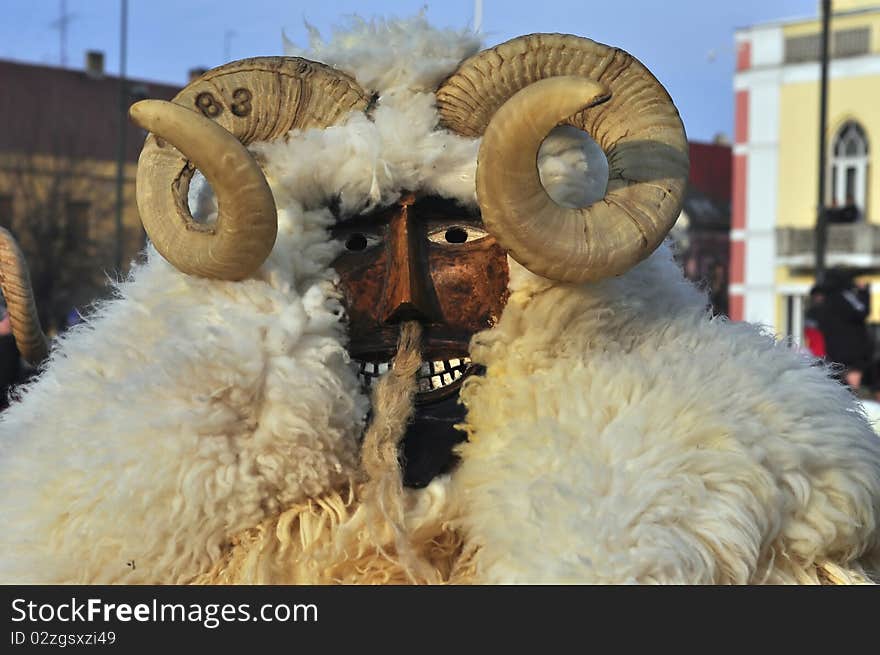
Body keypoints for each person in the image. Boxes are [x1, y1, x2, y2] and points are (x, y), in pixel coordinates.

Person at [0, 18, 878, 585]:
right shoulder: (94, 529)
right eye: (352, 242)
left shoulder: (753, 511)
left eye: (459, 237)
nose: (409, 294)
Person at [818, 269, 872, 389]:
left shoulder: (826, 298)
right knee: (852, 387)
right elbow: (862, 311)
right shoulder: (845, 294)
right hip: (852, 351)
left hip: (834, 349)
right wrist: (864, 292)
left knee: (840, 386)